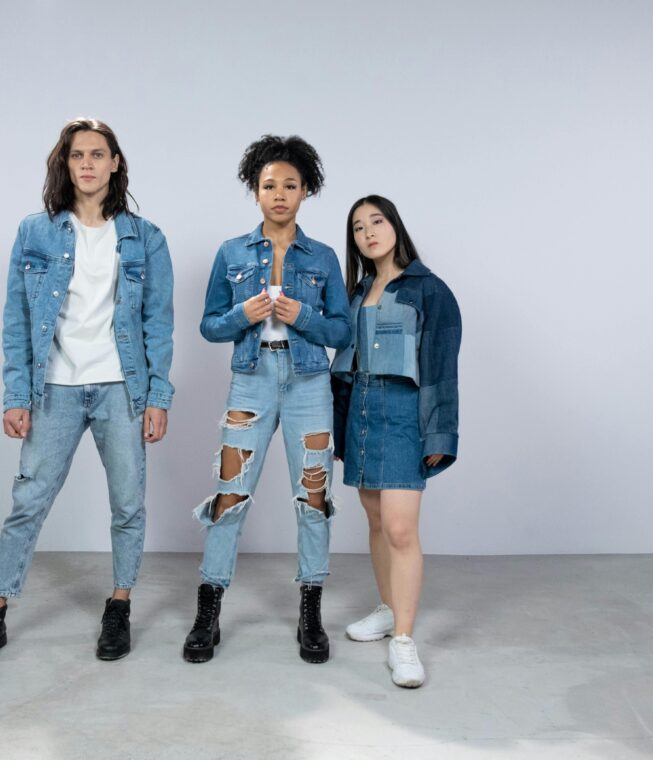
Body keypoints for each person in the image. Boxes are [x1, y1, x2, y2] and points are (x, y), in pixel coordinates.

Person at [0, 118, 174, 669]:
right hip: (52, 387)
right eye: (78, 155)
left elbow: (157, 326)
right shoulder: (36, 232)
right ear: (66, 164)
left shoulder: (146, 239)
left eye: (98, 154)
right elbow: (16, 319)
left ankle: (119, 603)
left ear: (115, 163)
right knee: (28, 503)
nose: (88, 164)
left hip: (120, 389)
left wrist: (158, 397)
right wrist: (15, 395)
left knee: (127, 504)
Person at [183, 135, 350, 664]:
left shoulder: (322, 257)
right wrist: (243, 316)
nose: (279, 194)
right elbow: (209, 325)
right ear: (255, 191)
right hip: (251, 379)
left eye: (291, 186)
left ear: (307, 192)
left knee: (314, 498)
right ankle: (208, 611)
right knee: (230, 492)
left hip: (308, 383)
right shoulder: (233, 253)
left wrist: (301, 316)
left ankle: (310, 611)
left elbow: (343, 331)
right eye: (269, 185)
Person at [330, 195, 461, 688]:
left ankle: (404, 641)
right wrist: (342, 424)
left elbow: (442, 371)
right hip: (362, 410)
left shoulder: (430, 291)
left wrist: (439, 431)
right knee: (377, 521)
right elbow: (345, 367)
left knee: (402, 529)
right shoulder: (357, 290)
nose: (368, 233)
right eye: (359, 227)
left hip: (406, 413)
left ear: (395, 226)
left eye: (377, 221)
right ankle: (387, 610)